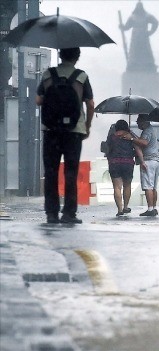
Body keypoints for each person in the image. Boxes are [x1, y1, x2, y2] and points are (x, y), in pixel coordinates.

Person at [35, 47, 94, 224]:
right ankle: (69, 213)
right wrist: (87, 126)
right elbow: (90, 104)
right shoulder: (81, 76)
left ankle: (51, 213)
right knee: (71, 171)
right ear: (77, 57)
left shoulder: (48, 75)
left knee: (51, 171)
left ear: (60, 55)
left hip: (51, 130)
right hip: (74, 131)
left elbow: (38, 100)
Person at [132, 113, 159, 216]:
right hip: (156, 161)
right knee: (153, 187)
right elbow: (142, 141)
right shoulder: (151, 130)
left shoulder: (147, 130)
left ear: (143, 122)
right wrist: (134, 136)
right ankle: (154, 207)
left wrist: (131, 139)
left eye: (138, 122)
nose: (138, 124)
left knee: (148, 186)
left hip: (149, 161)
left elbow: (143, 143)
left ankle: (150, 209)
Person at [106, 119, 136, 217]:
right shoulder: (130, 136)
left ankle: (119, 209)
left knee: (117, 187)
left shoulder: (111, 137)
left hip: (114, 163)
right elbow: (137, 146)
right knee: (127, 185)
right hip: (128, 163)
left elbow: (107, 149)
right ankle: (126, 206)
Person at [119, 0, 159, 71]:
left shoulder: (147, 16)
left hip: (144, 36)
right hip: (135, 37)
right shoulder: (132, 17)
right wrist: (122, 27)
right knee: (134, 52)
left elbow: (155, 22)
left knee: (146, 51)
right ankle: (132, 64)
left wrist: (151, 31)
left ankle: (149, 64)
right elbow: (127, 27)